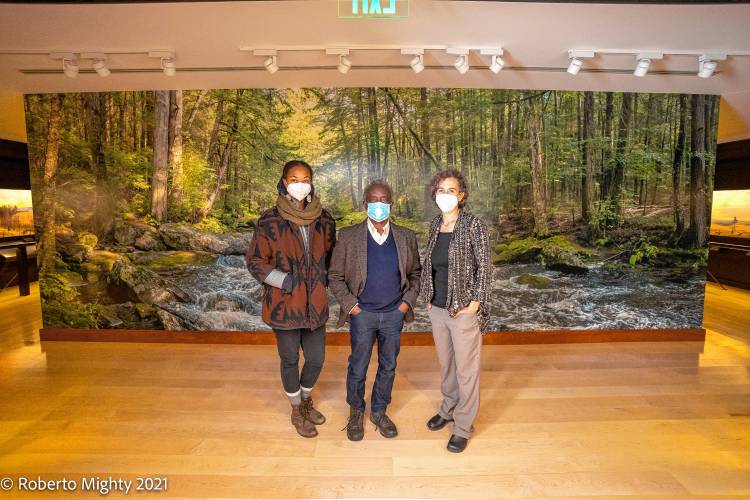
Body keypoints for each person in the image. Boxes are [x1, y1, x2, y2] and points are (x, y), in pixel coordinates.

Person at [245, 160, 336, 438]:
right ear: (284, 182)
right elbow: (255, 262)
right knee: (289, 360)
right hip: (284, 306)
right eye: (294, 179)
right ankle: (297, 408)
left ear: (311, 181)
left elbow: (333, 259)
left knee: (317, 359)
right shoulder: (269, 220)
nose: (300, 184)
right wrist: (284, 281)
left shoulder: (325, 220)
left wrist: (324, 282)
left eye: (305, 178)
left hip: (315, 305)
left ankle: (306, 398)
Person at [329, 180, 422, 441]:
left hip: (394, 314)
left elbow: (416, 274)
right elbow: (335, 275)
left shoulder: (405, 237)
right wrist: (352, 306)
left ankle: (379, 411)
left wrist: (405, 304)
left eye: (384, 200)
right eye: (374, 200)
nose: (379, 204)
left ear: (391, 203)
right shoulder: (349, 236)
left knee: (388, 365)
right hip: (363, 314)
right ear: (365, 204)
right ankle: (356, 411)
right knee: (358, 366)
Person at [419, 169, 492, 453]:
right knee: (447, 365)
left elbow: (485, 266)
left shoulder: (474, 225)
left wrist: (475, 303)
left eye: (451, 190)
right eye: (440, 190)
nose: (445, 195)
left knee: (466, 371)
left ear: (461, 195)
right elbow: (430, 263)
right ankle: (448, 408)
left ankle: (462, 426)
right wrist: (428, 294)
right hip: (437, 307)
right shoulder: (435, 224)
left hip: (463, 309)